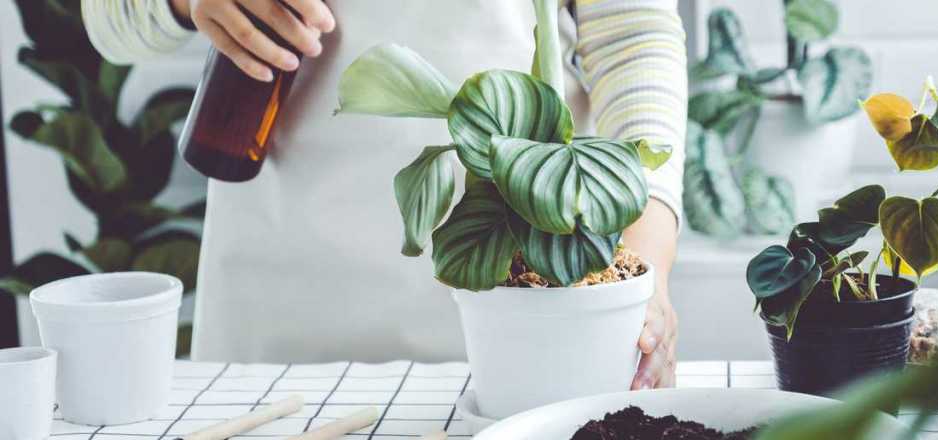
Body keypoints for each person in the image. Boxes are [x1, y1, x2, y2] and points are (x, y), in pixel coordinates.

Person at [82, 0, 687, 390]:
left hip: (522, 286)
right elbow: (108, 20)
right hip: (277, 300)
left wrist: (644, 268)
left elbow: (634, 35)